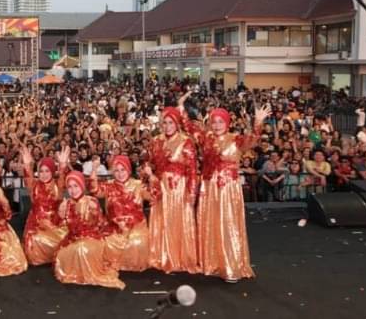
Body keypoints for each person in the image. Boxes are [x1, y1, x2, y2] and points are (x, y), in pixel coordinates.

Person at [181, 94, 269, 282]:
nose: (217, 124)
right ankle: (211, 262)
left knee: (227, 223)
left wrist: (258, 122)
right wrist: (181, 107)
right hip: (208, 186)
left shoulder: (236, 139)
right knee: (210, 222)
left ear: (227, 122)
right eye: (214, 121)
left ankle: (230, 265)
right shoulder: (205, 138)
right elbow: (188, 127)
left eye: (221, 121)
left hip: (227, 188)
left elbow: (252, 140)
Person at [143, 107, 199, 274]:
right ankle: (162, 255)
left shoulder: (185, 141)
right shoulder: (156, 141)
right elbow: (148, 162)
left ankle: (180, 257)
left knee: (178, 220)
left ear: (177, 124)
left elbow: (192, 170)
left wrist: (192, 192)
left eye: (170, 123)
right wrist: (149, 172)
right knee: (162, 220)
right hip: (160, 188)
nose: (167, 126)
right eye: (164, 123)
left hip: (178, 188)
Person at [54, 170, 125, 290]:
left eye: (75, 186)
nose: (73, 190)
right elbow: (61, 225)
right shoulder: (67, 204)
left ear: (82, 186)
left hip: (92, 239)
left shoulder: (91, 201)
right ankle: (78, 274)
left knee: (82, 248)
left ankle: (87, 274)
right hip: (73, 239)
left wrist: (95, 213)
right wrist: (60, 215)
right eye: (70, 187)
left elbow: (99, 225)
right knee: (61, 255)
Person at [88, 155, 150, 272]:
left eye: (123, 170)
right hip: (114, 226)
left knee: (136, 242)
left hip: (136, 227)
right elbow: (94, 190)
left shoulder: (138, 184)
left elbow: (153, 196)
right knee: (106, 243)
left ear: (129, 170)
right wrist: (94, 169)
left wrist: (151, 176)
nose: (120, 173)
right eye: (116, 170)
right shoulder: (109, 185)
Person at [20, 146, 68, 266]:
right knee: (33, 242)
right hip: (37, 226)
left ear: (52, 171)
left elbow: (62, 175)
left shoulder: (58, 186)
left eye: (47, 171)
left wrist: (62, 164)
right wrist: (27, 165)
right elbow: (28, 177)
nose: (44, 174)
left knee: (66, 241)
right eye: (41, 171)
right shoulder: (34, 185)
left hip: (55, 224)